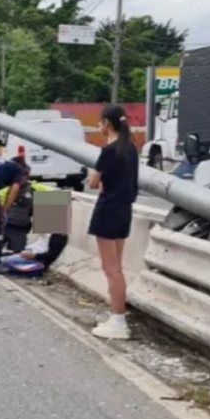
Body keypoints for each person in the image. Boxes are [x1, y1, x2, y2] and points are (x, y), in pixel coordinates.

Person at [87, 105, 140, 339]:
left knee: (111, 270)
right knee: (117, 268)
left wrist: (99, 180)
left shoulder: (108, 150)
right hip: (124, 210)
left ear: (106, 123)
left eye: (100, 123)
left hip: (107, 210)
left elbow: (92, 182)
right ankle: (117, 316)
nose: (99, 127)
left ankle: (119, 321)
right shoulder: (130, 149)